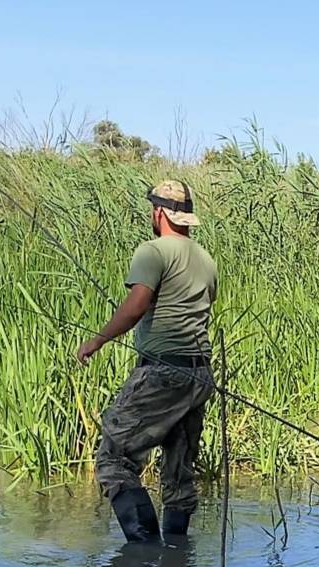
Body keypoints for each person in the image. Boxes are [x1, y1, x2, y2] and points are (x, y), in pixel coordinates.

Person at [76, 180, 217, 542]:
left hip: (162, 371)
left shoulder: (152, 251)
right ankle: (175, 562)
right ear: (186, 215)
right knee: (179, 469)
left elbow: (137, 305)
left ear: (158, 213)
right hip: (199, 374)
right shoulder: (206, 259)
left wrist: (97, 341)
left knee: (113, 458)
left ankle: (143, 553)